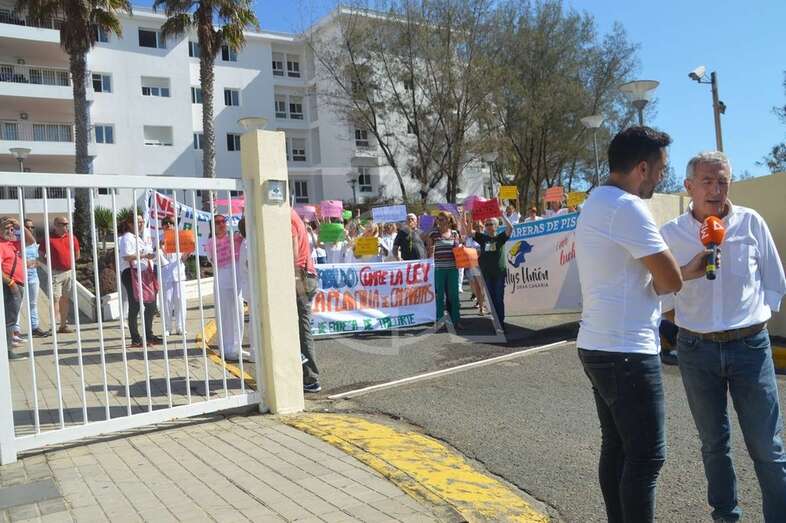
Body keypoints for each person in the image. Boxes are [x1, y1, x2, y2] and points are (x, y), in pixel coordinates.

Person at [575, 126, 708, 522]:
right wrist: (682, 272)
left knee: (616, 447)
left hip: (599, 342)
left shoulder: (597, 201)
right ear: (643, 167)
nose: (661, 178)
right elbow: (667, 281)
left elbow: (637, 279)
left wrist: (684, 272)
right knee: (647, 457)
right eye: (661, 170)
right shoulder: (627, 207)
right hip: (627, 350)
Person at [660, 151, 786, 522]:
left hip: (750, 347)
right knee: (714, 444)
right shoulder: (671, 234)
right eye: (708, 181)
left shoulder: (751, 223)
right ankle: (726, 516)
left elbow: (774, 281)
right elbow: (662, 293)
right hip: (696, 350)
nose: (716, 190)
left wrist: (751, 321)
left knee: (767, 445)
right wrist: (684, 315)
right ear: (689, 187)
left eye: (723, 181)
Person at [206, 215, 244, 361]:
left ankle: (237, 346)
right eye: (217, 222)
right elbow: (211, 260)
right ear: (213, 226)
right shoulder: (211, 242)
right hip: (222, 280)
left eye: (223, 221)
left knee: (238, 312)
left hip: (235, 279)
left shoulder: (235, 238)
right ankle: (226, 348)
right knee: (225, 314)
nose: (221, 224)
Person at [119, 214, 160, 347]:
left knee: (151, 305)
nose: (141, 224)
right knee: (135, 305)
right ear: (130, 224)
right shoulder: (126, 238)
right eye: (138, 222)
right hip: (131, 274)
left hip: (144, 274)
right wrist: (144, 255)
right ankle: (135, 338)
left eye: (142, 221)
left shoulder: (140, 238)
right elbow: (126, 256)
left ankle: (148, 335)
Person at [291, 209, 320, 393]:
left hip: (300, 277)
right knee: (300, 327)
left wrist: (291, 276)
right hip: (304, 275)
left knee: (302, 329)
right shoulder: (293, 215)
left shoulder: (286, 217)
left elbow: (292, 248)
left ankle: (310, 377)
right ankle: (305, 374)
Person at [466, 214, 513, 326]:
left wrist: (502, 215)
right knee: (491, 299)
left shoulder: (500, 237)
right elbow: (469, 232)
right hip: (487, 274)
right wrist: (470, 218)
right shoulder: (483, 238)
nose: (487, 226)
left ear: (496, 226)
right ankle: (496, 320)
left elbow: (510, 228)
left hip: (499, 273)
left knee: (498, 297)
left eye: (490, 224)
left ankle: (500, 322)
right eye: (486, 224)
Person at [39, 216, 80, 334]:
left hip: (69, 272)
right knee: (55, 299)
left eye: (67, 224)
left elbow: (77, 255)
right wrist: (51, 265)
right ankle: (54, 325)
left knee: (65, 299)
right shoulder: (48, 238)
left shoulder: (72, 238)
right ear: (56, 225)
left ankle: (63, 326)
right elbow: (41, 255)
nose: (66, 226)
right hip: (56, 273)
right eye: (63, 224)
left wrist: (69, 263)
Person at [13, 219, 49, 339]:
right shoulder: (17, 242)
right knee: (17, 304)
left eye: (32, 227)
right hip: (19, 278)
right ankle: (15, 330)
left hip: (33, 277)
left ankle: (35, 327)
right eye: (28, 227)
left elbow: (39, 260)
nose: (30, 229)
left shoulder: (34, 244)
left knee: (33, 304)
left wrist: (35, 263)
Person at [427, 211, 462, 328]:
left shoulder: (455, 233)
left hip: (453, 269)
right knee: (439, 296)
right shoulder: (433, 234)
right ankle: (439, 320)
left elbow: (459, 250)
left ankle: (456, 320)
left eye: (441, 219)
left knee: (454, 295)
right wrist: (431, 252)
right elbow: (429, 253)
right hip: (438, 269)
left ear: (448, 221)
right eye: (438, 219)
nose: (439, 221)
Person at [157, 217, 188, 336]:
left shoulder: (181, 237)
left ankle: (180, 327)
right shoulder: (159, 239)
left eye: (171, 223)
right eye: (165, 223)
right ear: (162, 226)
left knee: (180, 300)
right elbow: (156, 257)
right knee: (166, 301)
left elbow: (184, 258)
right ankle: (167, 328)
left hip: (179, 273)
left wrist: (189, 250)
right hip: (165, 274)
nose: (168, 225)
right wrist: (160, 247)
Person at [1, 217, 26, 352]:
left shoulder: (12, 244)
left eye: (11, 229)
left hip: (18, 285)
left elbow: (31, 241)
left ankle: (8, 348)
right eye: (5, 228)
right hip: (9, 286)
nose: (10, 231)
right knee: (9, 319)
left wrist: (19, 226)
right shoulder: (1, 245)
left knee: (12, 317)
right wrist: (11, 283)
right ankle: (8, 351)